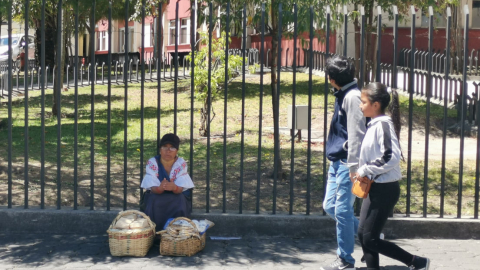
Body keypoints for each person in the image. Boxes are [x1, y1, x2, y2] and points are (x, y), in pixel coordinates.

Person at [356, 82, 430, 270]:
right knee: (363, 234)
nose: (360, 105)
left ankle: (415, 262)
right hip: (374, 187)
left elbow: (391, 157)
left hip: (385, 189)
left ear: (375, 104)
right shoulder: (374, 124)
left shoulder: (383, 125)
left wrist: (365, 169)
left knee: (370, 238)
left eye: (363, 102)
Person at [321, 56, 366, 270]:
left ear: (332, 79)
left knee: (341, 211)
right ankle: (370, 238)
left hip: (346, 164)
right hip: (336, 162)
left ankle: (345, 260)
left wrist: (353, 167)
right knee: (330, 206)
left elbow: (357, 134)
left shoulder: (352, 97)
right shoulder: (344, 94)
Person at [140, 133, 194, 232]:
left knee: (180, 200)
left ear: (177, 151)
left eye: (172, 148)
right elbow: (153, 188)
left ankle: (177, 233)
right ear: (160, 149)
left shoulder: (180, 163)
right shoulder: (152, 163)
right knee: (153, 199)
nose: (168, 151)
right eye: (165, 147)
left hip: (176, 196)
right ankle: (154, 233)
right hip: (157, 194)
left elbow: (180, 189)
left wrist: (174, 187)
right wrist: (160, 188)